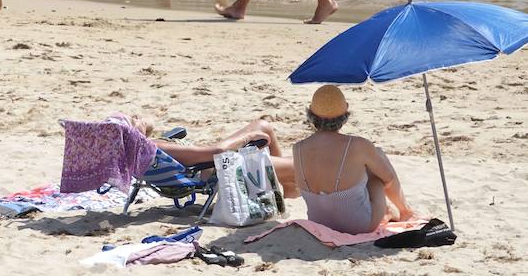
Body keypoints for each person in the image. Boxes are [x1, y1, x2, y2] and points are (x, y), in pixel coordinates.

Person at [293, 85, 414, 234]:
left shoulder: (298, 148)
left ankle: (387, 210)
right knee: (377, 161)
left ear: (311, 114)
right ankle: (405, 211)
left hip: (318, 222)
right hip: (359, 225)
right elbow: (388, 178)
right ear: (345, 113)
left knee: (358, 170)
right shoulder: (358, 145)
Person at [124, 113, 298, 197]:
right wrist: (248, 137)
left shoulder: (143, 149)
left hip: (209, 164)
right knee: (298, 164)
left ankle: (287, 186)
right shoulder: (154, 147)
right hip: (217, 168)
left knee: (263, 125)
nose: (138, 116)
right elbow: (218, 151)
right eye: (134, 120)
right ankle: (289, 183)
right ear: (133, 133)